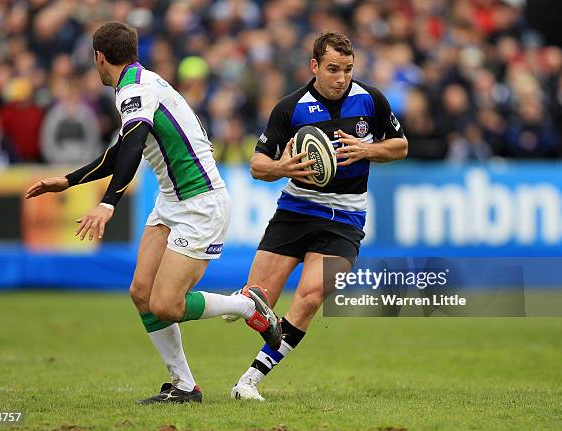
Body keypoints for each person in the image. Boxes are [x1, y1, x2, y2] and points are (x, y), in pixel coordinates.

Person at [25, 21, 281, 404]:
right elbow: (122, 148)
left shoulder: (135, 88)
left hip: (200, 202)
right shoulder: (139, 83)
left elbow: (132, 147)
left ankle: (247, 304)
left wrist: (109, 201)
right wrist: (68, 180)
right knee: (142, 292)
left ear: (99, 57)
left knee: (166, 305)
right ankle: (183, 386)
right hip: (171, 200)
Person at [228, 32, 408, 401]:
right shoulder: (290, 107)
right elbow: (257, 165)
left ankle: (250, 380)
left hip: (345, 217)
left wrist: (368, 149)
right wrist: (282, 166)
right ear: (314, 66)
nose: (341, 78)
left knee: (310, 296)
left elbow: (401, 146)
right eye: (332, 69)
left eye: (347, 69)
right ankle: (260, 316)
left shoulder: (371, 100)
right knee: (254, 303)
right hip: (295, 211)